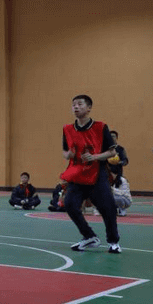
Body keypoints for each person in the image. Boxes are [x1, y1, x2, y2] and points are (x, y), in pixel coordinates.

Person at [60, 94, 122, 253]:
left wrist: (95, 157)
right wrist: (68, 155)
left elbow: (112, 152)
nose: (76, 107)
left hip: (96, 173)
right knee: (69, 204)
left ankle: (113, 241)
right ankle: (89, 236)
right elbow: (65, 151)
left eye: (80, 104)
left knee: (108, 208)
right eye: (73, 104)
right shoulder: (67, 129)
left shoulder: (101, 127)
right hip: (77, 173)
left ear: (89, 108)